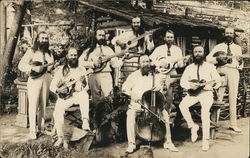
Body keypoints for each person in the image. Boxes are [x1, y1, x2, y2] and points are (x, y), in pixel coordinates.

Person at [122, 54, 178, 154]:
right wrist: (131, 94)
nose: (146, 64)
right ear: (139, 64)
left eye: (147, 61)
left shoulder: (155, 76)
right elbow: (124, 88)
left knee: (164, 114)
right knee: (130, 114)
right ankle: (132, 144)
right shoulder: (133, 76)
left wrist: (158, 89)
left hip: (153, 105)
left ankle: (168, 142)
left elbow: (160, 90)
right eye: (143, 62)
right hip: (138, 104)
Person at [179, 46, 221, 151]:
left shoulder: (210, 67)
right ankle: (193, 126)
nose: (198, 54)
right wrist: (190, 86)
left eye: (200, 52)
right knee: (182, 105)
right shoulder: (189, 68)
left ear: (204, 53)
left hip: (206, 94)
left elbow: (218, 80)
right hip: (193, 94)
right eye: (196, 52)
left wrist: (213, 85)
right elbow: (182, 82)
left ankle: (205, 140)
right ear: (193, 54)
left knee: (205, 112)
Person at [50, 47, 90, 147]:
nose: (73, 57)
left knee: (84, 95)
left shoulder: (82, 69)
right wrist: (58, 90)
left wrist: (83, 83)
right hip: (66, 97)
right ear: (67, 56)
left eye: (75, 55)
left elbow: (86, 87)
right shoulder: (61, 70)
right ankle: (60, 137)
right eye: (71, 55)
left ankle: (85, 121)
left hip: (78, 94)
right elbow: (52, 86)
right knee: (57, 112)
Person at [18, 31, 54, 139]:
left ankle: (41, 128)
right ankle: (32, 131)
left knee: (43, 104)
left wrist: (51, 67)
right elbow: (21, 65)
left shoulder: (49, 53)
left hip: (46, 79)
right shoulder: (31, 51)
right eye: (42, 38)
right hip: (34, 80)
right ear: (37, 39)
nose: (44, 40)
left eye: (46, 38)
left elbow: (50, 67)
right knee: (33, 104)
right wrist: (33, 68)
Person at [206, 27, 243, 132]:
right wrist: (218, 59)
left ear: (233, 35)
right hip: (220, 71)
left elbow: (240, 63)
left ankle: (233, 124)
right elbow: (208, 59)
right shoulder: (218, 46)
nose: (229, 35)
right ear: (224, 34)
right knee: (219, 97)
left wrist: (237, 62)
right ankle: (215, 123)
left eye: (231, 33)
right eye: (227, 33)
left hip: (233, 71)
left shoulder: (237, 48)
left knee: (233, 97)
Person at [79, 29, 123, 102]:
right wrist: (92, 64)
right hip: (93, 75)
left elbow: (115, 64)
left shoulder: (109, 50)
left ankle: (108, 113)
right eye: (99, 35)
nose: (102, 37)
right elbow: (80, 62)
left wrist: (123, 59)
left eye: (103, 35)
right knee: (95, 98)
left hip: (106, 75)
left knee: (108, 97)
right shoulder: (89, 51)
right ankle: (96, 112)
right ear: (95, 36)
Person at [150, 29, 188, 106]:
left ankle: (168, 107)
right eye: (168, 37)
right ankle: (158, 106)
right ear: (164, 38)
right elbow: (151, 60)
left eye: (171, 37)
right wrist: (160, 64)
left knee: (168, 86)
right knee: (157, 87)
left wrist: (184, 62)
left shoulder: (177, 50)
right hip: (160, 72)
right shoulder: (159, 49)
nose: (169, 39)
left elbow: (179, 65)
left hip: (172, 72)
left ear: (173, 38)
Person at [111, 16, 155, 86]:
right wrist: (120, 43)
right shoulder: (127, 33)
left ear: (141, 24)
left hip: (140, 60)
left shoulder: (144, 34)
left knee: (139, 80)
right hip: (129, 60)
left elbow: (150, 48)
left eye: (138, 22)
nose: (136, 24)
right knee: (128, 80)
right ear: (132, 24)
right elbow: (113, 40)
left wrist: (150, 39)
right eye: (134, 23)